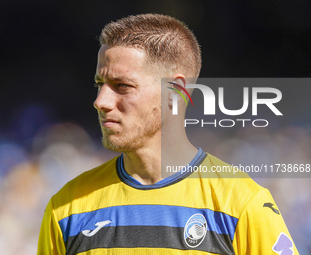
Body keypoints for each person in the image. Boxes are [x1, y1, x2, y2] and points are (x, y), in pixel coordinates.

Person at [37, 14, 299, 254]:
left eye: (122, 86)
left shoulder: (242, 204)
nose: (101, 101)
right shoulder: (67, 208)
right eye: (100, 84)